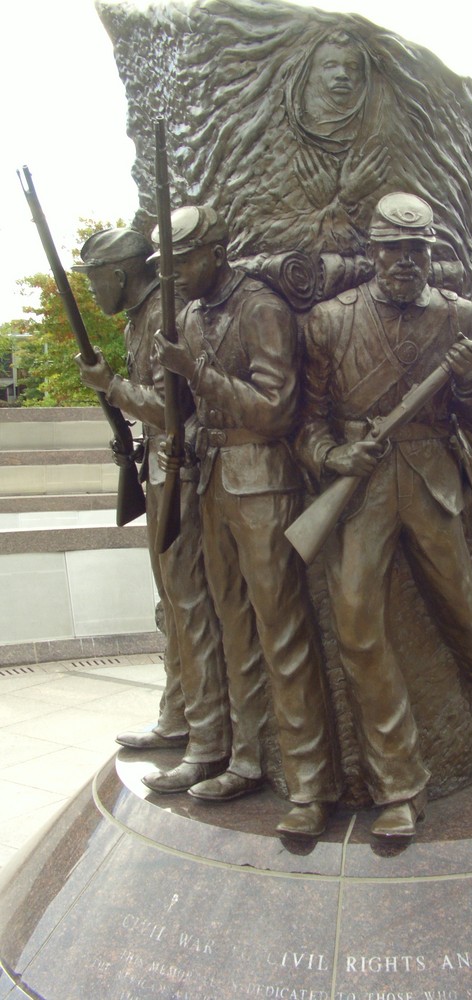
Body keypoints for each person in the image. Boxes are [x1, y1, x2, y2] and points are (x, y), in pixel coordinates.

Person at [296, 192, 472, 839]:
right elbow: (305, 426)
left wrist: (468, 383)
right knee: (357, 630)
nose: (404, 262)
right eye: (393, 250)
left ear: (431, 257)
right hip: (360, 488)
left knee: (460, 608)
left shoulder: (461, 318)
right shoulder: (328, 322)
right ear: (372, 252)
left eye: (416, 251)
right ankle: (398, 785)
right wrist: (336, 454)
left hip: (430, 480)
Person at [152, 205, 340, 838]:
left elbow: (275, 411)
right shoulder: (191, 313)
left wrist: (196, 373)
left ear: (216, 250)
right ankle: (246, 757)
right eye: (166, 268)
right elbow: (182, 402)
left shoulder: (262, 307)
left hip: (262, 481)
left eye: (184, 261)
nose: (174, 276)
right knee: (235, 629)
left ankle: (311, 785)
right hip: (211, 481)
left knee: (281, 633)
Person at [73, 227, 230, 792]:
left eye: (94, 280)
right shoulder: (140, 320)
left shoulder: (169, 315)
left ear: (119, 274)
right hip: (160, 470)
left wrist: (111, 386)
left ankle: (209, 740)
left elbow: (171, 408)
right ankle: (178, 714)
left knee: (191, 608)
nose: (92, 292)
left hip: (185, 475)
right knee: (172, 605)